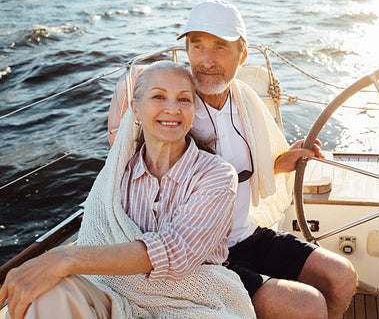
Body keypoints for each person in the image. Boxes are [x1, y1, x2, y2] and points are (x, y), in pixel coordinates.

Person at [0, 61, 255, 319]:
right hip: (113, 290)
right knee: (50, 292)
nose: (172, 108)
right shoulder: (116, 175)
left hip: (194, 303)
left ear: (193, 109)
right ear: (135, 108)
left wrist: (65, 258)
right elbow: (95, 237)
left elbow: (177, 249)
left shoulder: (217, 175)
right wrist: (61, 263)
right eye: (158, 96)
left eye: (184, 99)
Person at [177, 0, 358, 319]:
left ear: (242, 55)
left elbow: (256, 164)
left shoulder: (245, 100)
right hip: (202, 257)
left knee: (341, 276)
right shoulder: (175, 106)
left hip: (247, 234)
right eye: (196, 46)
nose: (205, 61)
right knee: (307, 305)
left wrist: (284, 158)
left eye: (219, 47)